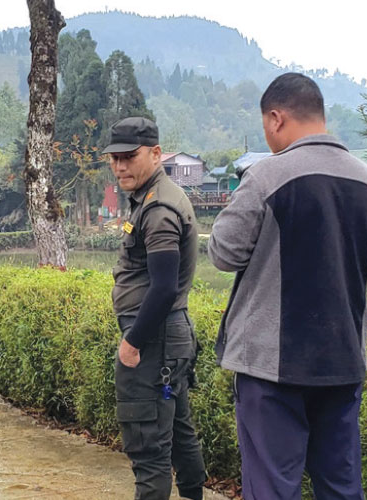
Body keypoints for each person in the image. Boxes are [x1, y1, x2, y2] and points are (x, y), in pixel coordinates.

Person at [209, 73, 367, 499]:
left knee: (271, 488)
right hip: (342, 360)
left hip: (271, 367)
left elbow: (224, 253)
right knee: (341, 486)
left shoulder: (266, 177)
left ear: (276, 118)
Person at [107, 117, 206, 500]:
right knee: (178, 432)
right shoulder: (156, 197)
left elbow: (164, 288)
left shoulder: (159, 208)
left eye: (129, 157)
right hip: (168, 336)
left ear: (155, 153)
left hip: (153, 340)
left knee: (148, 449)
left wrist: (132, 342)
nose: (120, 167)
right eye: (114, 158)